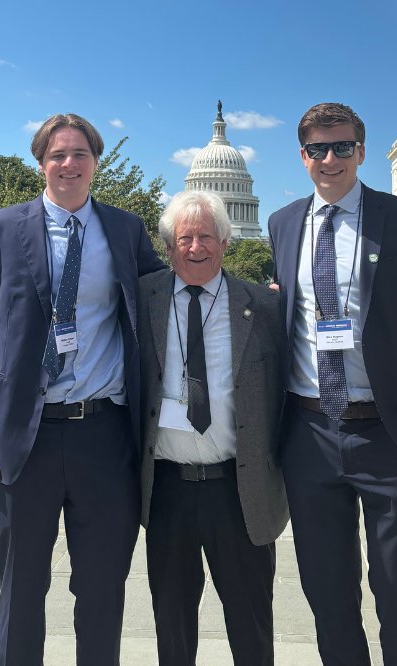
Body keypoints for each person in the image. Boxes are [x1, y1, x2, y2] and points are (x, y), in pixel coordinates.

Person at [0, 113, 166, 666]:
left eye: (79, 154)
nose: (68, 164)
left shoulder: (124, 229)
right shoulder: (1, 229)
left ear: (96, 161)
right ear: (41, 163)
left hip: (104, 435)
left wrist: (255, 297)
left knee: (101, 590)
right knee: (21, 589)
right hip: (26, 438)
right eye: (57, 155)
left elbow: (166, 294)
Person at [266, 103, 397, 666]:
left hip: (391, 433)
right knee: (328, 595)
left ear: (361, 150)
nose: (330, 160)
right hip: (309, 434)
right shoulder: (283, 224)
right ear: (302, 155)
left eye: (342, 147)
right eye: (318, 149)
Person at [138, 191, 288, 666]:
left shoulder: (263, 307)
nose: (196, 246)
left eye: (206, 236)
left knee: (251, 623)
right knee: (173, 623)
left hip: (238, 489)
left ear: (226, 241)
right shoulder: (143, 300)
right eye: (185, 237)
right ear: (168, 246)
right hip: (167, 491)